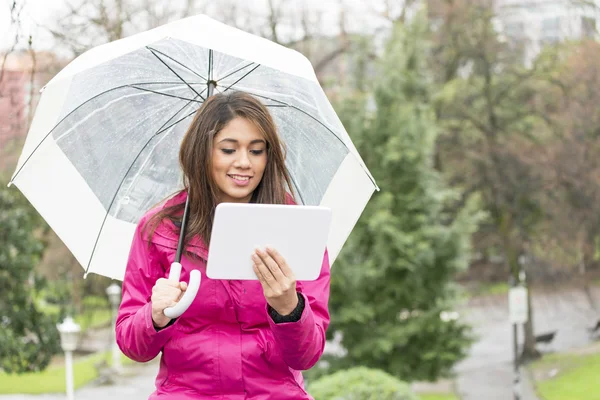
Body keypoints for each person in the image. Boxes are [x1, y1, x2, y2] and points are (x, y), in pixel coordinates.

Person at [115, 91, 331, 400]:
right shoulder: (159, 230)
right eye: (229, 149)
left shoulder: (297, 228)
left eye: (256, 151)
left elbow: (307, 355)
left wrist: (289, 309)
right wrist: (155, 315)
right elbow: (132, 346)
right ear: (202, 152)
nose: (244, 163)